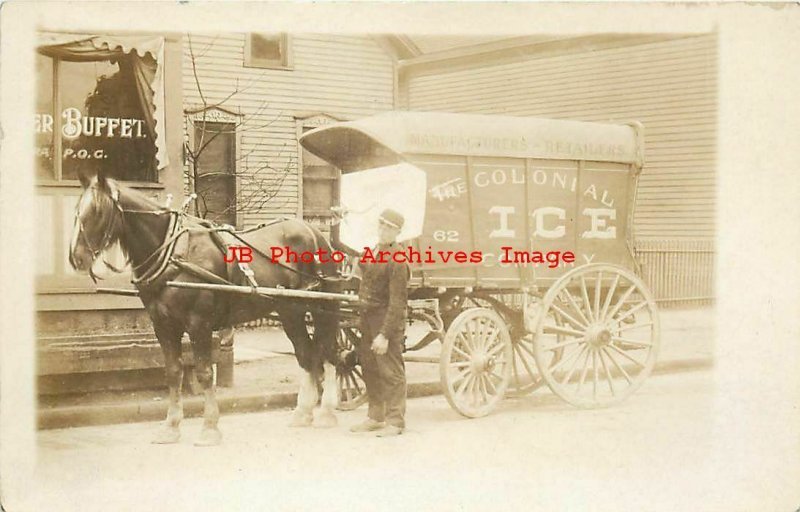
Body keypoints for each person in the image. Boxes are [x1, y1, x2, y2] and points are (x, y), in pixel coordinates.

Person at [350, 209, 410, 437]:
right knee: (370, 367)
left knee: (391, 370)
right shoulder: (374, 250)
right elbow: (362, 276)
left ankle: (395, 422)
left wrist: (384, 334)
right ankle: (375, 417)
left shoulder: (398, 258)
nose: (383, 230)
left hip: (386, 319)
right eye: (381, 225)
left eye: (389, 228)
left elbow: (397, 302)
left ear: (397, 232)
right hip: (367, 318)